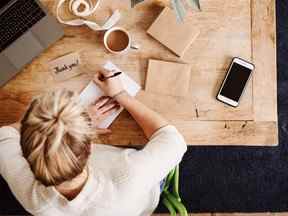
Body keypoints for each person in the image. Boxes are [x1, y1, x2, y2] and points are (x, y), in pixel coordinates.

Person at [0, 69, 187, 216]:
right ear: (89, 145)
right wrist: (121, 93)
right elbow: (174, 140)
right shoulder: (130, 174)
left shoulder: (31, 195)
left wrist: (71, 125)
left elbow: (4, 134)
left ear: (25, 153)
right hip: (139, 199)